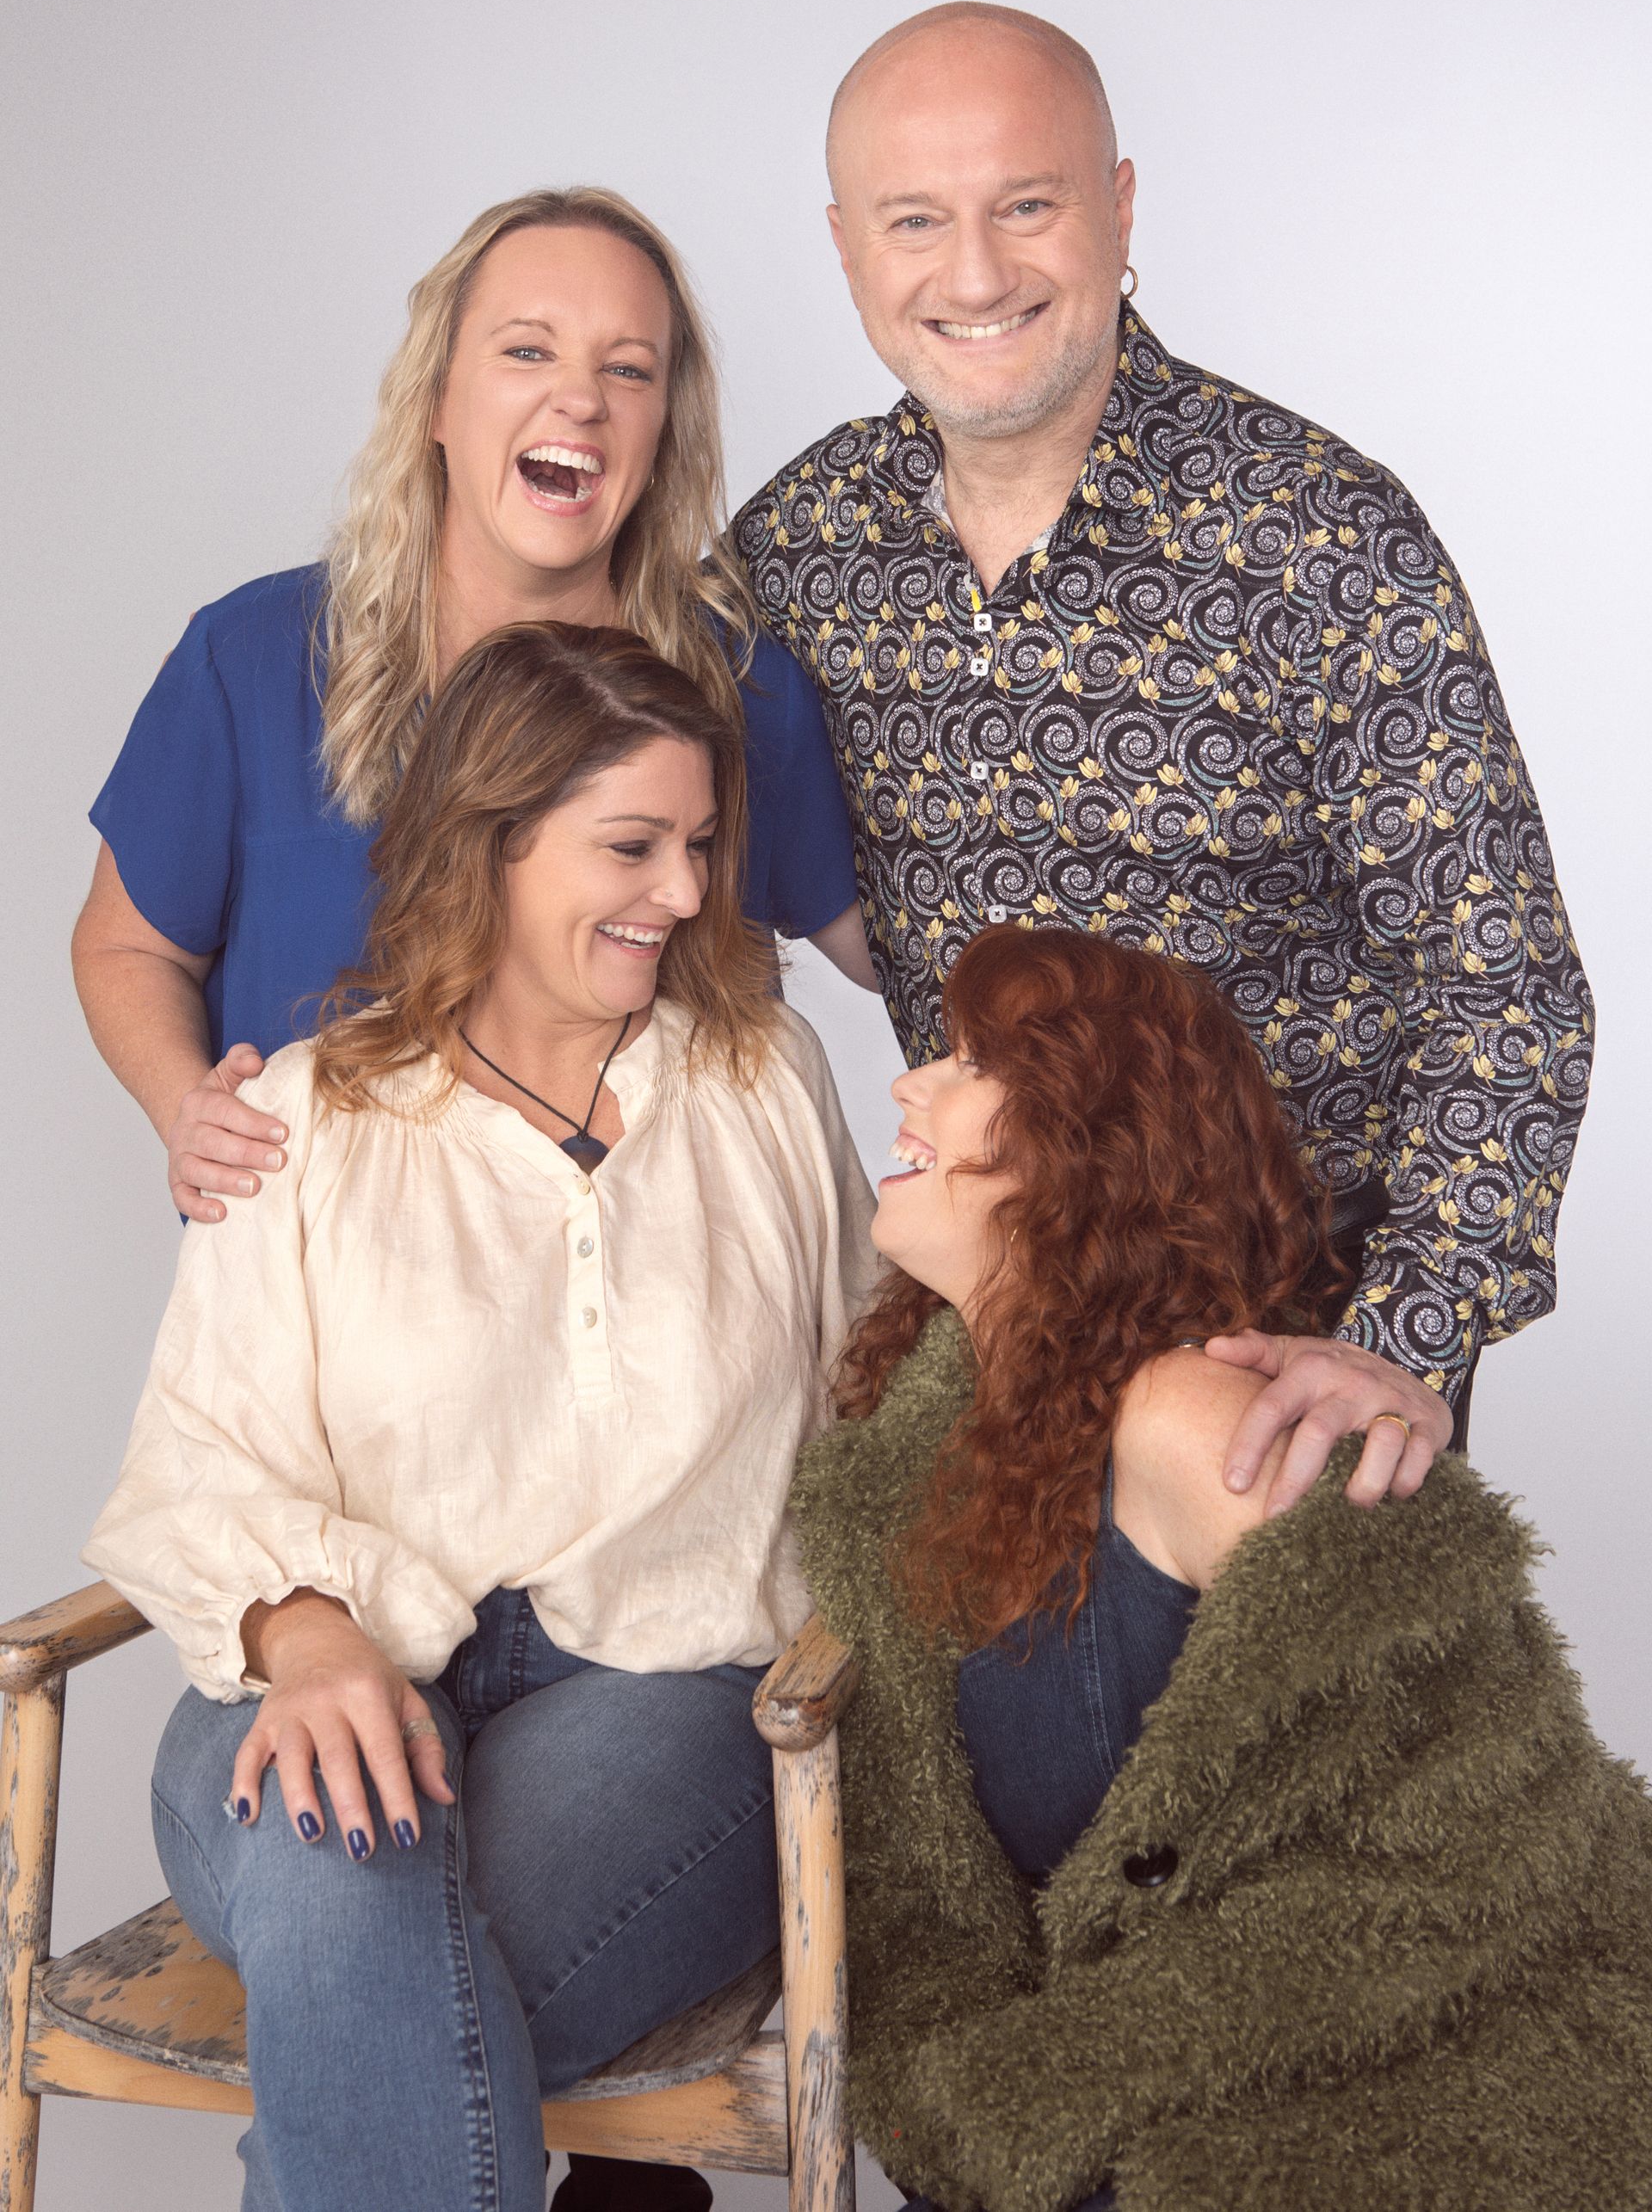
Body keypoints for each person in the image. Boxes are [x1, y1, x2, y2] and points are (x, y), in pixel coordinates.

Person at [733, 2, 1594, 1501]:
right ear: (847, 248)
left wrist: (1407, 1336)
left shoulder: (1318, 534)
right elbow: (608, 794)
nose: (976, 273)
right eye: (916, 219)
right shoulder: (800, 549)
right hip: (987, 1318)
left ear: (1119, 206)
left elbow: (1501, 981)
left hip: (1287, 1335)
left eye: (1028, 204)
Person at [83, 622, 878, 2212]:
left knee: (360, 1974)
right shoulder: (305, 1112)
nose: (685, 891)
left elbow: (872, 1391)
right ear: (493, 841)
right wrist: (310, 1638)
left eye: (701, 845)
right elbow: (195, 1467)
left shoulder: (761, 1080)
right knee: (339, 1857)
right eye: (632, 847)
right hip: (311, 1655)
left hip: (666, 1688)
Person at [787, 926, 1652, 2212]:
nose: (911, 1081)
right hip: (1120, 2111)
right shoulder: (949, 1445)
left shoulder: (1198, 1423)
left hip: (1389, 2096)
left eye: (970, 1063)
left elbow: (1475, 1850)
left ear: (1089, 1144)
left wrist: (1045, 2082)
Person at [73, 183, 874, 1229]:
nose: (580, 399)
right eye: (527, 351)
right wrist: (189, 1106)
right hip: (334, 1279)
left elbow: (903, 944)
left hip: (664, 1283)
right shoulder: (254, 659)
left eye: (628, 368)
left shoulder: (745, 686)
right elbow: (129, 946)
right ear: (437, 403)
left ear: (664, 427)